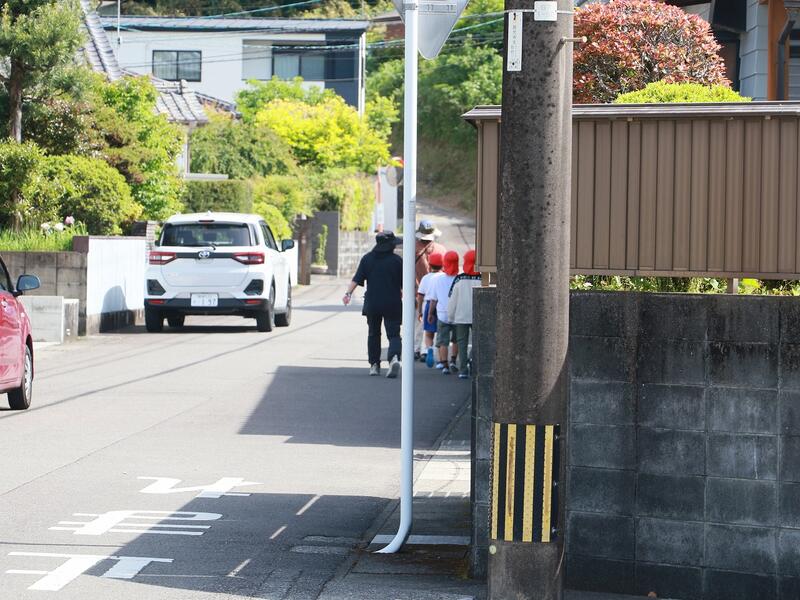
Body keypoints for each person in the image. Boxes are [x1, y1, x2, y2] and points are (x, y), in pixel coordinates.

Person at [343, 231, 403, 378]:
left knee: (373, 333)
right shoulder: (397, 261)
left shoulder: (367, 259)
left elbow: (356, 279)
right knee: (394, 334)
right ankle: (394, 358)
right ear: (390, 245)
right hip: (392, 303)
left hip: (373, 303)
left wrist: (348, 294)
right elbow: (406, 283)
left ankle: (374, 365)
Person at [413, 220, 446, 359]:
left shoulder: (412, 249)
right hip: (437, 295)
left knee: (417, 321)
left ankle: (415, 348)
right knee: (432, 323)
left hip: (417, 292)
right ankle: (426, 350)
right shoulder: (441, 249)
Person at [447, 249, 481, 380]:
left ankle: (463, 370)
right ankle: (474, 362)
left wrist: (450, 316)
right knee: (478, 341)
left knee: (462, 343)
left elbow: (452, 300)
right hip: (478, 316)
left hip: (461, 316)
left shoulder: (459, 279)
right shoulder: (483, 278)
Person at [428, 250, 459, 375]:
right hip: (457, 314)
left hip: (442, 314)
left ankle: (444, 364)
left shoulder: (438, 279)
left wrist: (430, 313)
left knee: (443, 341)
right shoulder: (460, 277)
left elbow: (433, 300)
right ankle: (453, 361)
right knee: (456, 340)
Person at [416, 252, 443, 366]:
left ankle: (429, 349)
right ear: (442, 265)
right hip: (441, 305)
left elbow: (420, 296)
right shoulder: (443, 277)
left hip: (428, 305)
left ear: (430, 265)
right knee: (441, 333)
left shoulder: (426, 278)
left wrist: (420, 311)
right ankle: (441, 359)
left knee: (428, 333)